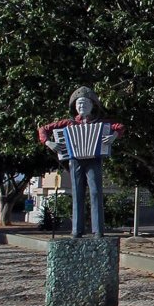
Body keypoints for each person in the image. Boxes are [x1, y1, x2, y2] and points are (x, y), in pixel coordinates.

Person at [38, 86, 124, 238]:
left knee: (96, 192)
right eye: (79, 104)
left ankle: (98, 230)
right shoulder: (68, 123)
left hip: (94, 159)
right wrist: (48, 143)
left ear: (92, 106)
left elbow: (119, 127)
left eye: (85, 103)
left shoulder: (100, 124)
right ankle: (77, 230)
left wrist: (114, 136)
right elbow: (43, 129)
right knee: (77, 193)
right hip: (75, 160)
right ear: (74, 107)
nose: (81, 106)